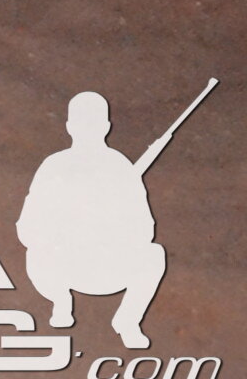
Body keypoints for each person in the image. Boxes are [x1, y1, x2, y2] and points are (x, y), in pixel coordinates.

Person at [18, 89, 172, 350]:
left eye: (93, 122)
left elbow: (145, 228)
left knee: (154, 255)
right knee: (35, 254)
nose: (87, 129)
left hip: (108, 264)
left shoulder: (121, 167)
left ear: (106, 126)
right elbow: (27, 226)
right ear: (69, 126)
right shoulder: (53, 166)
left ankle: (128, 320)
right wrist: (60, 233)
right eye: (81, 122)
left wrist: (110, 227)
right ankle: (61, 301)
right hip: (62, 265)